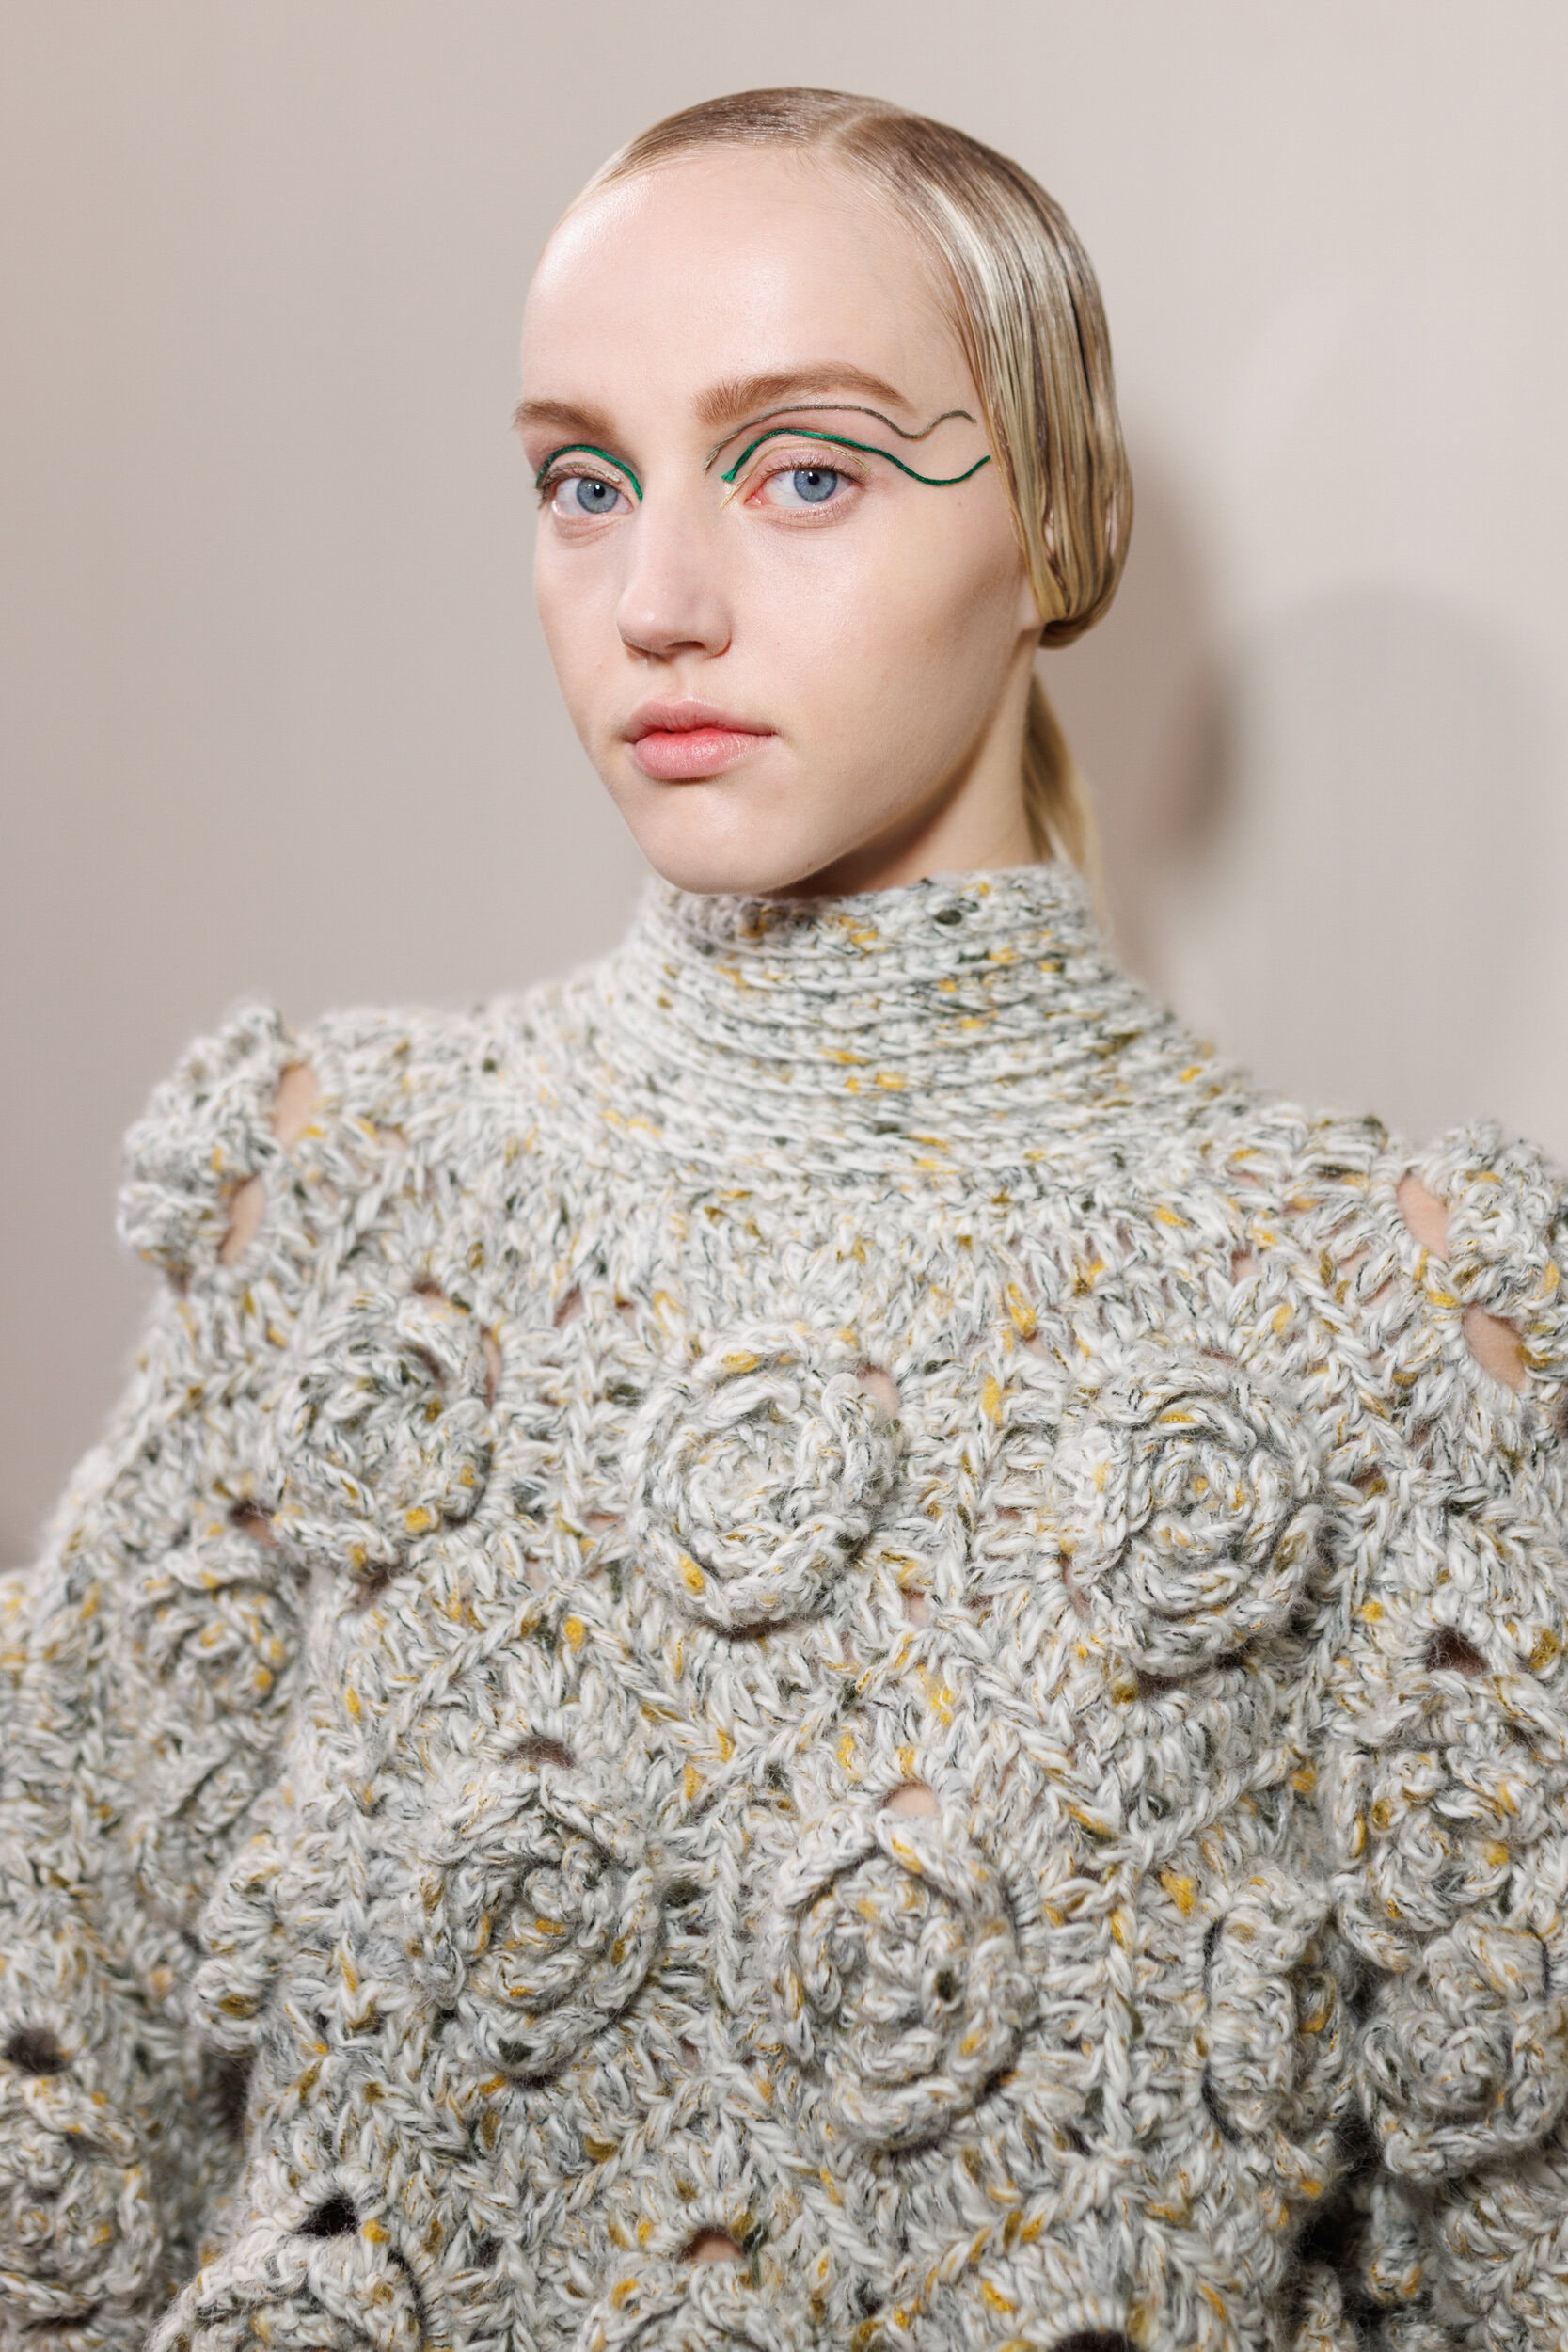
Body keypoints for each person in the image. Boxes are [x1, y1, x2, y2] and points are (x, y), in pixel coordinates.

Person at [1, 83, 1564, 2352]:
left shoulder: (1389, 1322)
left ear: (1056, 525)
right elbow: (66, 2081)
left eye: (804, 469)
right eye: (583, 480)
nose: (657, 601)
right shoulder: (340, 1201)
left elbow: (1508, 2252)